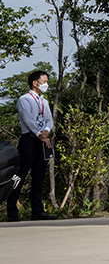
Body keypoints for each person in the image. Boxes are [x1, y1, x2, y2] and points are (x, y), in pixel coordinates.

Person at [6, 70, 54, 221]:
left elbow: (49, 120)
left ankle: (38, 211)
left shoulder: (44, 101)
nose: (46, 84)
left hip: (43, 141)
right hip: (29, 140)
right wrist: (40, 134)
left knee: (39, 177)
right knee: (20, 175)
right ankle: (12, 212)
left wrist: (46, 132)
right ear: (35, 83)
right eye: (44, 81)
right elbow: (28, 120)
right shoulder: (25, 99)